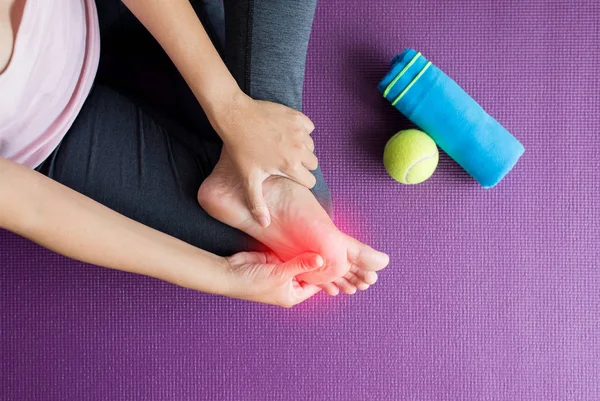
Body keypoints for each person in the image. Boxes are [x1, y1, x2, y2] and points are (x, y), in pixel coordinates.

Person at [0, 0, 389, 307]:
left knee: (286, 192)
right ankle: (270, 177)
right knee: (279, 248)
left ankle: (270, 173)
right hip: (51, 135)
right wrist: (224, 276)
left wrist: (233, 111)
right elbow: (32, 207)